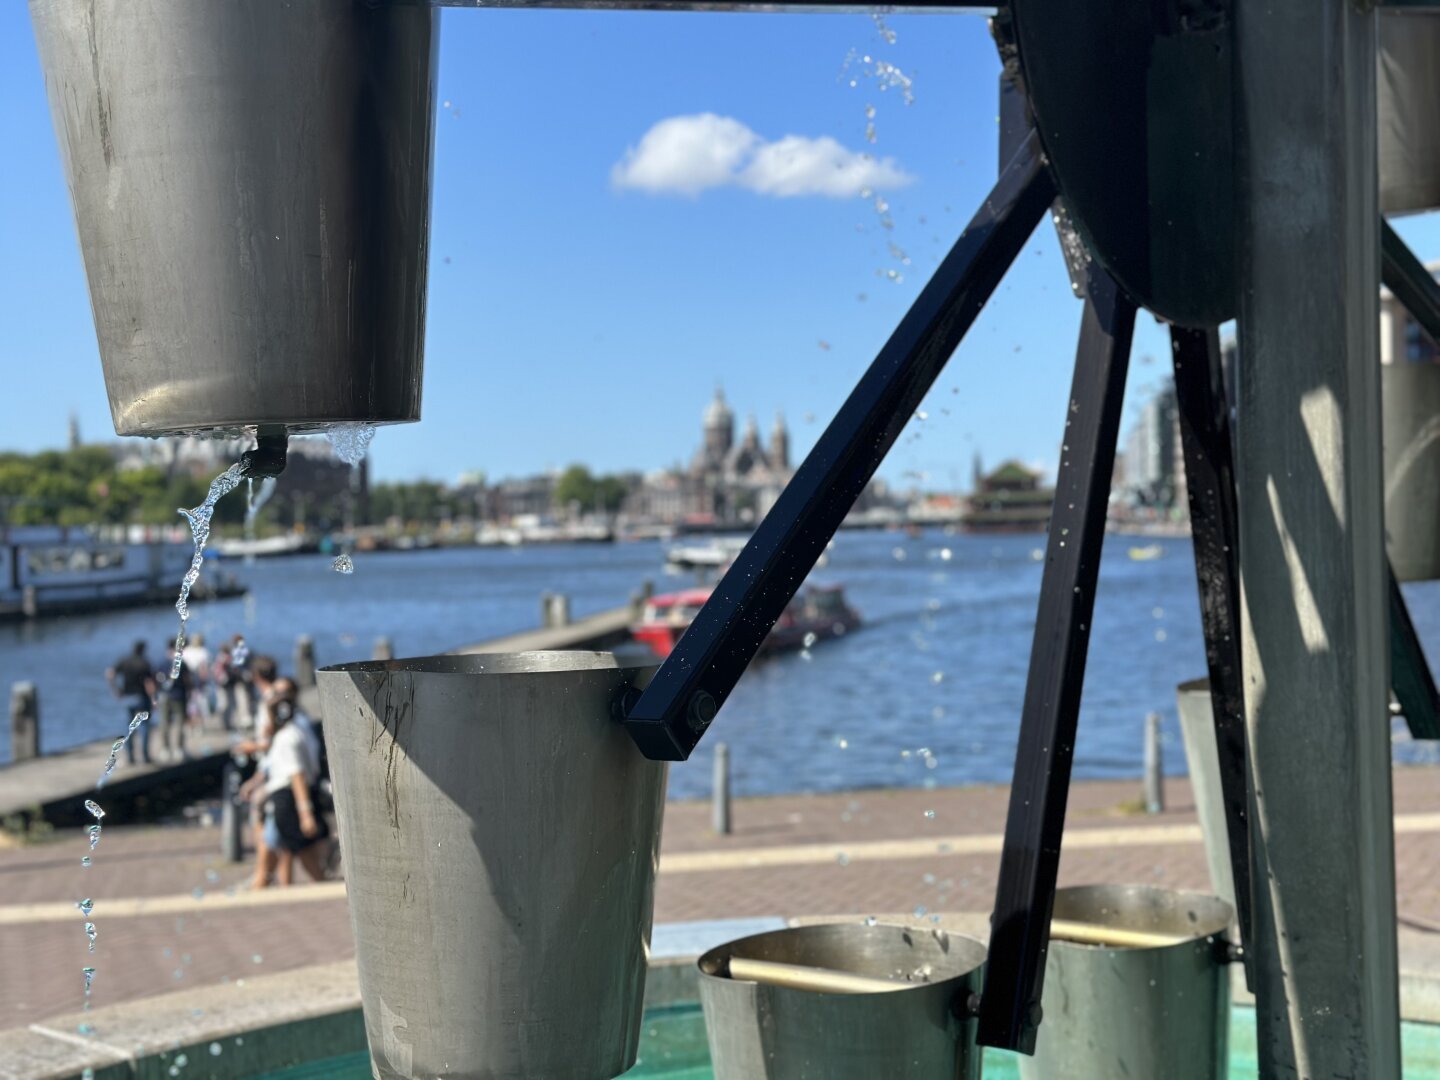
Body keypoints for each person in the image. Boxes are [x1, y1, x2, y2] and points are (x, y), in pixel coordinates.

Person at [105, 640, 155, 765]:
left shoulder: (125, 661)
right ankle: (145, 756)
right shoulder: (144, 663)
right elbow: (149, 683)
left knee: (128, 729)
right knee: (144, 727)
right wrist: (154, 699)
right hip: (142, 698)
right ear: (143, 650)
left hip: (127, 698)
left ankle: (130, 757)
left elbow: (109, 674)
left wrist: (115, 690)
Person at [153, 643, 193, 761]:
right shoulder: (182, 663)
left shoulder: (161, 663)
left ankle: (165, 749)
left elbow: (156, 680)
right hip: (179, 696)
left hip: (164, 696)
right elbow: (187, 680)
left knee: (164, 722)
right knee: (180, 722)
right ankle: (179, 749)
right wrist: (190, 692)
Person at [181, 632, 213, 726]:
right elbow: (204, 669)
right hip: (199, 680)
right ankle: (201, 723)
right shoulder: (203, 652)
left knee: (191, 704)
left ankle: (192, 723)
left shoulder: (186, 651)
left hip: (187, 680)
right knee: (201, 703)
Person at [213, 642, 238, 733]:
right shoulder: (223, 659)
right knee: (225, 705)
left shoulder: (221, 658)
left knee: (228, 704)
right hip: (224, 685)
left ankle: (226, 723)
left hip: (227, 684)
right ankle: (225, 723)